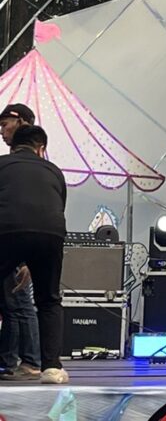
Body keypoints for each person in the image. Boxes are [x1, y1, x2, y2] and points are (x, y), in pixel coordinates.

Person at [0, 125, 68, 384]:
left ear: (13, 146)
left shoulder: (2, 164)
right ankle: (51, 368)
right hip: (50, 233)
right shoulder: (54, 170)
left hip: (6, 229)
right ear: (41, 149)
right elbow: (57, 207)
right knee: (49, 299)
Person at [0, 104, 41, 381]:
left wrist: (27, 257)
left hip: (17, 240)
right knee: (11, 303)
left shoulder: (27, 165)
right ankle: (9, 361)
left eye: (5, 125)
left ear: (22, 123)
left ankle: (29, 361)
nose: (2, 131)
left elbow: (29, 208)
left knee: (19, 303)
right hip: (11, 239)